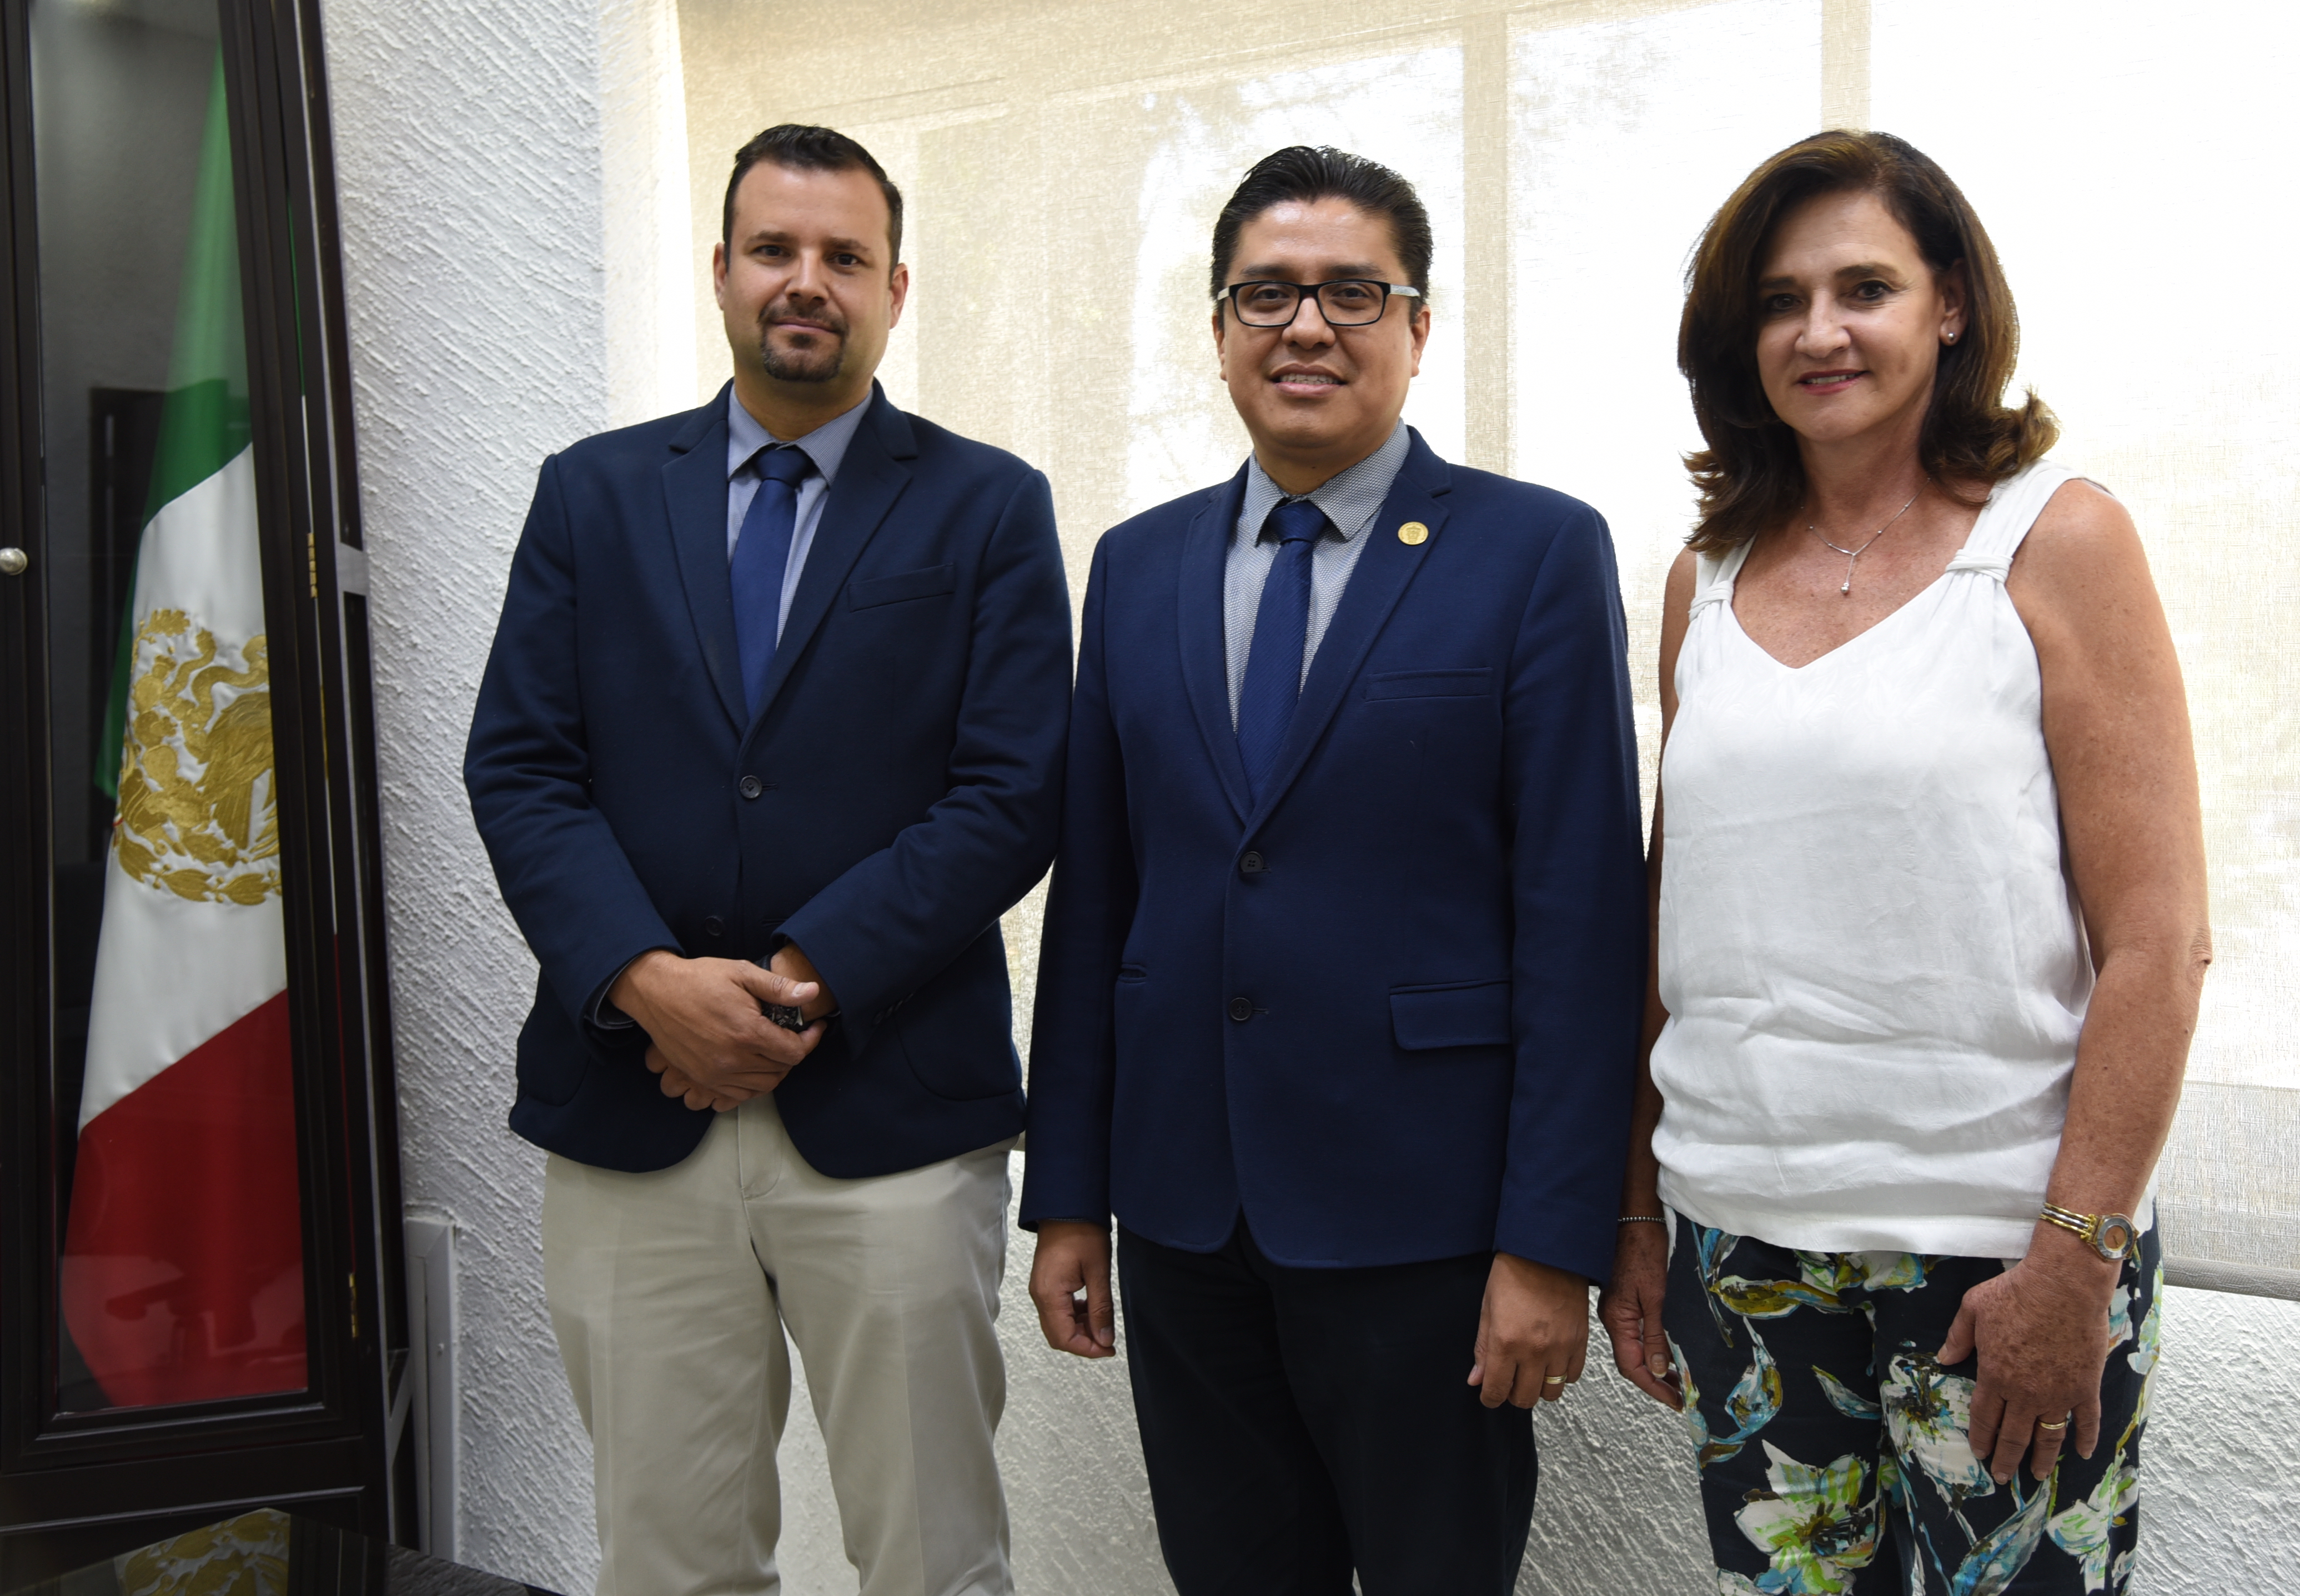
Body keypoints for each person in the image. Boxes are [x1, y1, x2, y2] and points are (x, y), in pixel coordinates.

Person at [1021, 145, 1646, 1595]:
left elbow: (1582, 914)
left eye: (1353, 291)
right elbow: (1100, 899)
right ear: (1222, 326)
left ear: (1417, 325)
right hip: (1186, 1210)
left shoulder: (1534, 551)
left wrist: (1552, 1244)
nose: (1307, 325)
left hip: (1428, 1221)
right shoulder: (1137, 566)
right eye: (1268, 293)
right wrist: (1068, 1190)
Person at [1599, 130, 2209, 1595]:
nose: (1818, 331)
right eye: (1778, 300)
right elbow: (1678, 926)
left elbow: (2160, 939)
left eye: (1863, 286)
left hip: (1998, 1255)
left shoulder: (2057, 539)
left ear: (1949, 306)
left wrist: (2075, 1256)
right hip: (1738, 1240)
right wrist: (1633, 1210)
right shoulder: (1708, 574)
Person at [464, 124, 1070, 1596]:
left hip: (894, 1111)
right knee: (670, 1558)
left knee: (933, 1554)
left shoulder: (986, 507)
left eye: (844, 257)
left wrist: (803, 977)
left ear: (895, 288)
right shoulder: (592, 494)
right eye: (777, 250)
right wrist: (647, 980)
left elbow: (1013, 790)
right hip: (630, 1102)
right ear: (724, 271)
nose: (809, 282)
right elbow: (522, 765)